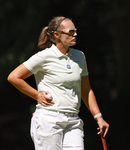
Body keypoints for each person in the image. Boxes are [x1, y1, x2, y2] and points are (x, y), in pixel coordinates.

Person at [7, 16, 109, 150]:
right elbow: (14, 77)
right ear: (57, 35)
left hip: (73, 121)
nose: (75, 34)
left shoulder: (80, 56)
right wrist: (37, 95)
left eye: (75, 31)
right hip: (49, 120)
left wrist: (99, 117)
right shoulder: (44, 56)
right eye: (71, 32)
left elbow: (86, 90)